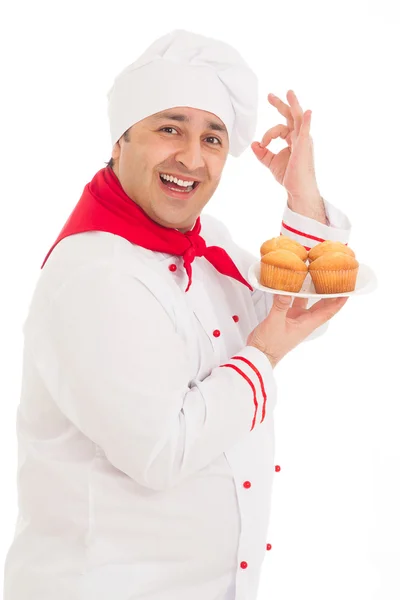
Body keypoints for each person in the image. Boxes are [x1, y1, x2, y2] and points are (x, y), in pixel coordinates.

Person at [3, 29, 352, 600]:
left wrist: (302, 193)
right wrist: (263, 354)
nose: (192, 158)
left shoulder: (201, 240)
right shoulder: (98, 275)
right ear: (120, 142)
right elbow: (163, 452)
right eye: (170, 129)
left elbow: (290, 302)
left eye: (213, 139)